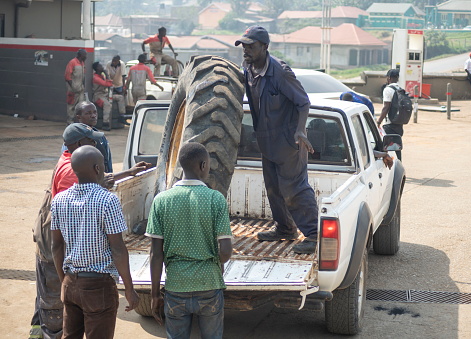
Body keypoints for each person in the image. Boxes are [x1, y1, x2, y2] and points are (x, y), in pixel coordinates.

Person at [236, 25, 318, 254]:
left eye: (251, 46)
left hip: (289, 141)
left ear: (264, 47)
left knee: (294, 189)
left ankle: (314, 234)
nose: (246, 50)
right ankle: (285, 229)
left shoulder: (280, 72)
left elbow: (303, 102)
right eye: (244, 45)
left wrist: (300, 131)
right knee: (273, 188)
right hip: (266, 141)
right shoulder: (248, 69)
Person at [51, 145, 139, 339]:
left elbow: (56, 246)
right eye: (103, 165)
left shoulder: (59, 200)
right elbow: (117, 249)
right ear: (98, 169)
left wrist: (64, 281)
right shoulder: (108, 200)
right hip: (99, 286)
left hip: (70, 281)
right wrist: (130, 290)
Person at [146, 142, 233, 339]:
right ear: (203, 166)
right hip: (209, 284)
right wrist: (212, 264)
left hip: (176, 285)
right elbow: (226, 252)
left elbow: (155, 254)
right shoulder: (215, 199)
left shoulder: (162, 200)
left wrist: (154, 294)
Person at [29, 126, 103, 339]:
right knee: (54, 306)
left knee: (46, 298)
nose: (96, 145)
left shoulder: (67, 159)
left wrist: (127, 173)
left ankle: (36, 334)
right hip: (54, 249)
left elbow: (96, 179)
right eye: (92, 141)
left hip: (49, 241)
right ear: (79, 144)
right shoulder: (71, 173)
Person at [377, 69, 403, 161]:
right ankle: (399, 165)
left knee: (387, 147)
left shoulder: (388, 89)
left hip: (389, 123)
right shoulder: (400, 89)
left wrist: (379, 121)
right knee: (397, 147)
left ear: (389, 78)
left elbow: (386, 107)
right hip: (399, 123)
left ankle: (391, 168)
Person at [92, 62, 127, 130]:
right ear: (97, 68)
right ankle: (106, 123)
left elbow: (109, 84)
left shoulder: (101, 76)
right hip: (98, 96)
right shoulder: (95, 77)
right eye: (100, 66)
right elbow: (107, 84)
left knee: (120, 98)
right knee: (107, 104)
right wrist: (106, 75)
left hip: (104, 94)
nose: (102, 67)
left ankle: (121, 116)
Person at [64, 49, 87, 125]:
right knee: (71, 106)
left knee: (81, 105)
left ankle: (78, 122)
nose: (86, 56)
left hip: (80, 89)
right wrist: (73, 87)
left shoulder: (82, 63)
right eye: (85, 55)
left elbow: (83, 76)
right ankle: (70, 122)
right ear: (80, 55)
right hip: (73, 89)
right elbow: (67, 76)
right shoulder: (72, 62)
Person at [105, 56, 129, 125]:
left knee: (122, 100)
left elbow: (123, 76)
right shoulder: (108, 64)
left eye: (115, 61)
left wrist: (124, 87)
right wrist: (109, 84)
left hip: (119, 85)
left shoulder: (122, 64)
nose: (113, 62)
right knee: (110, 100)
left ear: (118, 61)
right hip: (111, 85)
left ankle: (122, 117)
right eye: (113, 61)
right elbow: (107, 75)